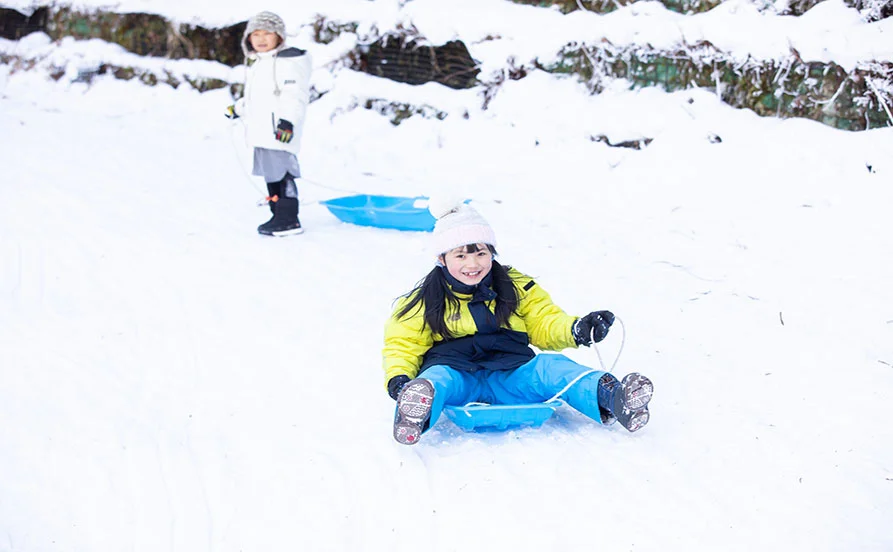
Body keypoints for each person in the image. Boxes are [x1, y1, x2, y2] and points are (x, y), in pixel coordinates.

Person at [382, 198, 653, 445]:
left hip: (512, 372)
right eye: (460, 255)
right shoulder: (425, 299)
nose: (472, 264)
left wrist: (577, 330)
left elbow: (543, 321)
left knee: (552, 367)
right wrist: (399, 378)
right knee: (436, 379)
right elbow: (403, 343)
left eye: (481, 253)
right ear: (442, 258)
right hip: (458, 374)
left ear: (492, 253)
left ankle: (616, 399)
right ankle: (414, 414)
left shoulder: (515, 286)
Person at [225, 11, 312, 237]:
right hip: (261, 131)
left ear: (279, 37)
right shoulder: (259, 62)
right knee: (270, 174)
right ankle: (276, 211)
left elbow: (295, 96)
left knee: (282, 173)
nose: (261, 39)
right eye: (256, 34)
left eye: (267, 34)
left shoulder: (288, 62)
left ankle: (288, 218)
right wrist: (239, 108)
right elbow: (258, 98)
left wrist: (287, 122)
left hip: (279, 131)